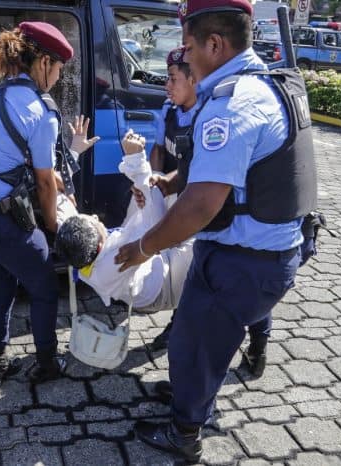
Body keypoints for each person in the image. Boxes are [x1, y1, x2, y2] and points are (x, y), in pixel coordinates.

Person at [115, 0, 316, 461]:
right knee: (202, 338)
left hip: (242, 261)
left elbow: (203, 204)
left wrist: (143, 247)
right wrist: (168, 181)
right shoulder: (265, 82)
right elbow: (218, 170)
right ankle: (192, 394)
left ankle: (184, 434)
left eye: (186, 47)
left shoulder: (232, 104)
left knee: (194, 340)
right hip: (262, 253)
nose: (183, 57)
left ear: (214, 43)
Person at [0, 21, 98, 388]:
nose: (58, 77)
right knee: (44, 286)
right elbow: (47, 182)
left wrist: (71, 158)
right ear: (44, 62)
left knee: (1, 284)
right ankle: (47, 364)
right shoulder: (40, 111)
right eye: (58, 69)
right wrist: (52, 225)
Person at [143, 46, 273, 371]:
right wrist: (155, 181)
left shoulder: (212, 114)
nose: (167, 86)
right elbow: (162, 153)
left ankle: (258, 343)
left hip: (212, 209)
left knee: (248, 293)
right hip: (183, 199)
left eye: (173, 79)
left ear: (193, 79)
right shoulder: (170, 111)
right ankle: (179, 325)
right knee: (189, 272)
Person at [56, 131, 194, 315]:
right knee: (208, 236)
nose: (96, 217)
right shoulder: (115, 260)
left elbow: (58, 193)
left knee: (150, 189)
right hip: (165, 285)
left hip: (147, 261)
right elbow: (155, 230)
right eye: (96, 223)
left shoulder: (73, 240)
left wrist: (74, 150)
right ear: (99, 244)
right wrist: (136, 158)